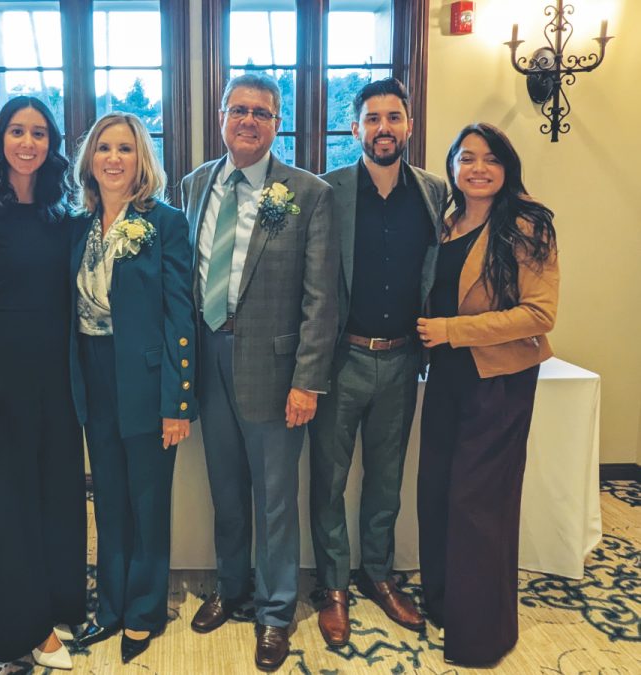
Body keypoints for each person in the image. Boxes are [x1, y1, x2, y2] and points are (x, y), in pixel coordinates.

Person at [182, 73, 339, 671]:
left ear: (278, 124)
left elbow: (321, 298)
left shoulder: (308, 193)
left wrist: (307, 380)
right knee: (225, 489)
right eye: (238, 110)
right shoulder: (195, 184)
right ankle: (231, 587)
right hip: (209, 359)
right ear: (222, 116)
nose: (248, 121)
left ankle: (275, 613)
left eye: (262, 113)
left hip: (276, 371)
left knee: (275, 498)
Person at [308, 77, 446, 647]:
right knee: (328, 480)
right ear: (355, 127)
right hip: (342, 357)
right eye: (372, 118)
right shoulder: (328, 190)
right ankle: (333, 585)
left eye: (393, 117)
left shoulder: (434, 192)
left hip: (403, 360)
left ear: (409, 125)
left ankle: (379, 575)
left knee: (387, 480)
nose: (383, 128)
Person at [0, 96, 87, 670]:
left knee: (62, 495)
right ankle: (27, 629)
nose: (27, 142)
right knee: (11, 506)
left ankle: (62, 604)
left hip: (59, 375)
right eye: (17, 131)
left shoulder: (64, 213)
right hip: (1, 379)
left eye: (38, 133)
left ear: (51, 143)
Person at [416, 122, 558, 666]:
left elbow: (539, 314)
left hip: (498, 380)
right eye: (467, 158)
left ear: (507, 167)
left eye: (491, 159)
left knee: (478, 504)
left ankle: (481, 634)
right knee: (437, 491)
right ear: (452, 166)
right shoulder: (448, 222)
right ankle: (444, 605)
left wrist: (452, 330)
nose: (478, 168)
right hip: (447, 375)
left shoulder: (526, 224)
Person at [69, 113, 197, 664]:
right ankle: (110, 607)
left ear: (141, 158)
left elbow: (179, 314)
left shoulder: (164, 222)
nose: (114, 158)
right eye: (104, 148)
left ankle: (143, 611)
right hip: (93, 376)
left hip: (147, 380)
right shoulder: (76, 225)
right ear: (90, 159)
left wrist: (177, 401)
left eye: (125, 148)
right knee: (108, 499)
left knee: (147, 502)